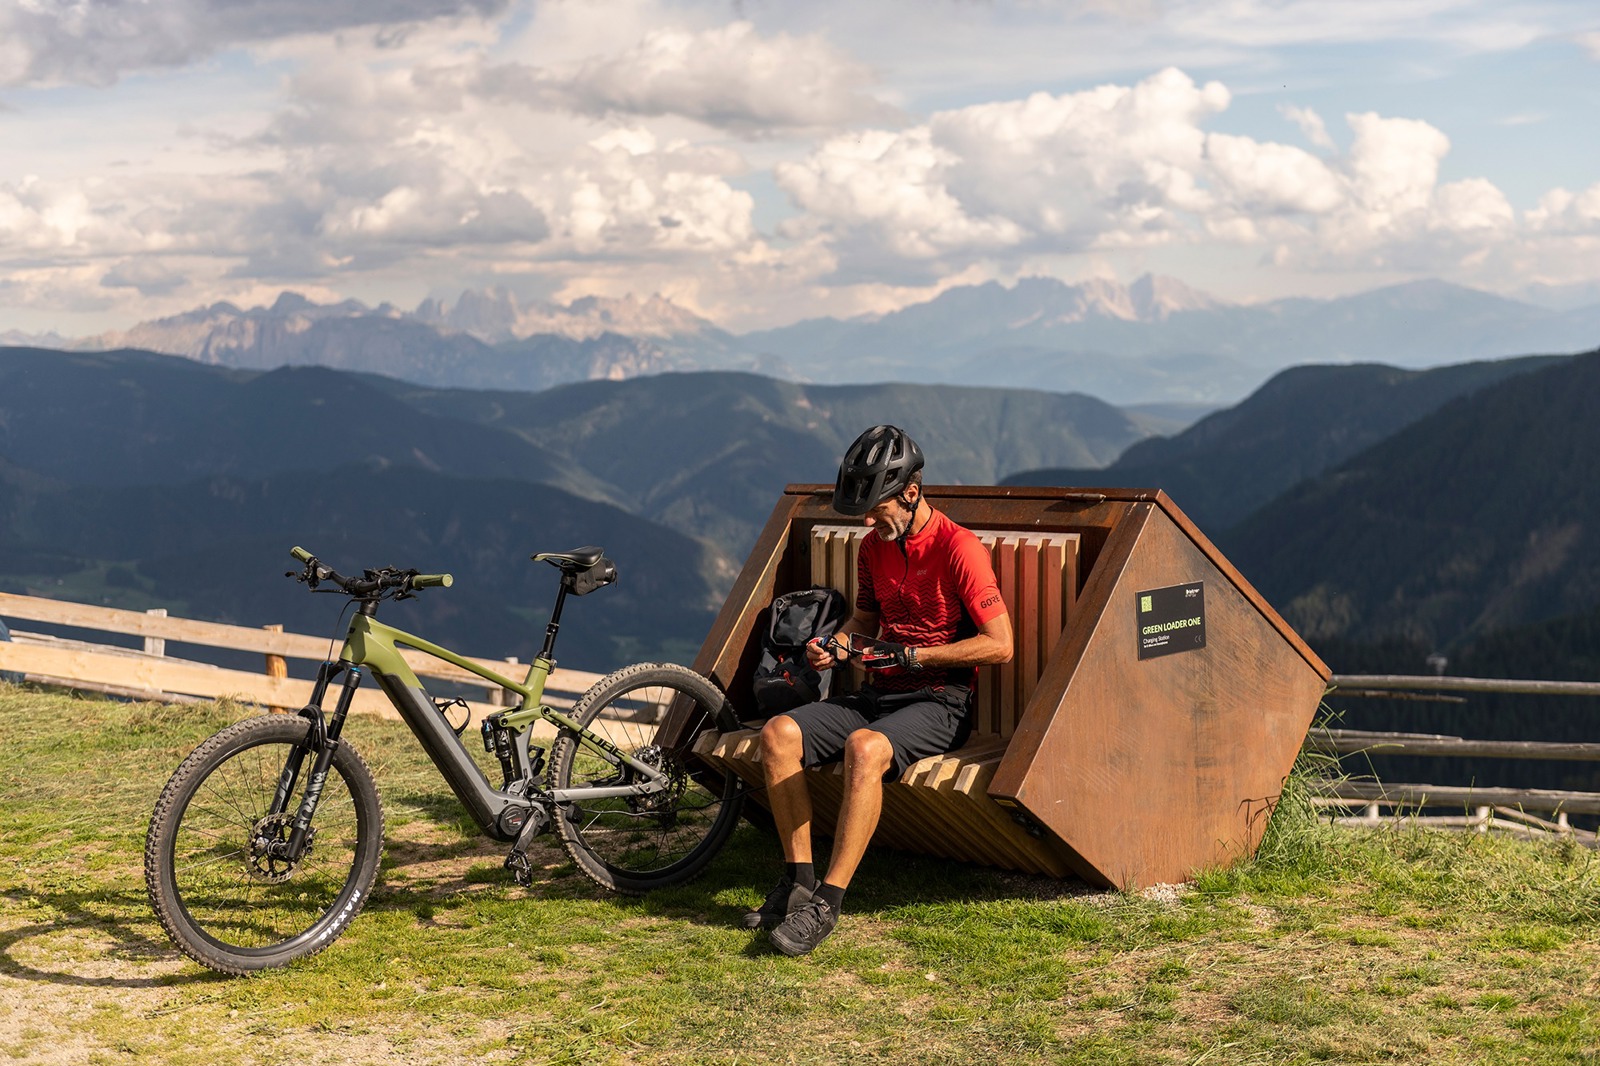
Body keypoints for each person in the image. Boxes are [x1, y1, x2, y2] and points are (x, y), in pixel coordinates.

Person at [746, 424, 1013, 956]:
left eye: (876, 508)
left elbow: (1000, 645)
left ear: (911, 492)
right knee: (778, 734)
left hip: (940, 701)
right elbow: (865, 623)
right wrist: (834, 645)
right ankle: (798, 881)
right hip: (879, 692)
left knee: (864, 748)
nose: (868, 521)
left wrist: (916, 655)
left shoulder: (960, 549)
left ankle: (828, 902)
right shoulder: (873, 548)